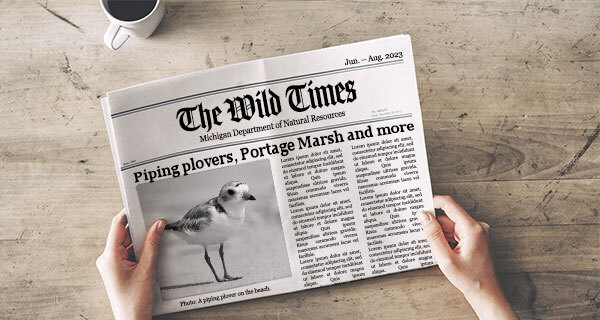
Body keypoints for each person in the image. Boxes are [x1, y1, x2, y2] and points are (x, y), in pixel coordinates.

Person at [96, 195, 518, 319]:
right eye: (235, 195)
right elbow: (195, 229)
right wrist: (484, 291)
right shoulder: (208, 213)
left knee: (219, 247)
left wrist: (129, 316)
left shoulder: (234, 215)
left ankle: (223, 275)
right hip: (192, 232)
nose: (243, 199)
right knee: (212, 245)